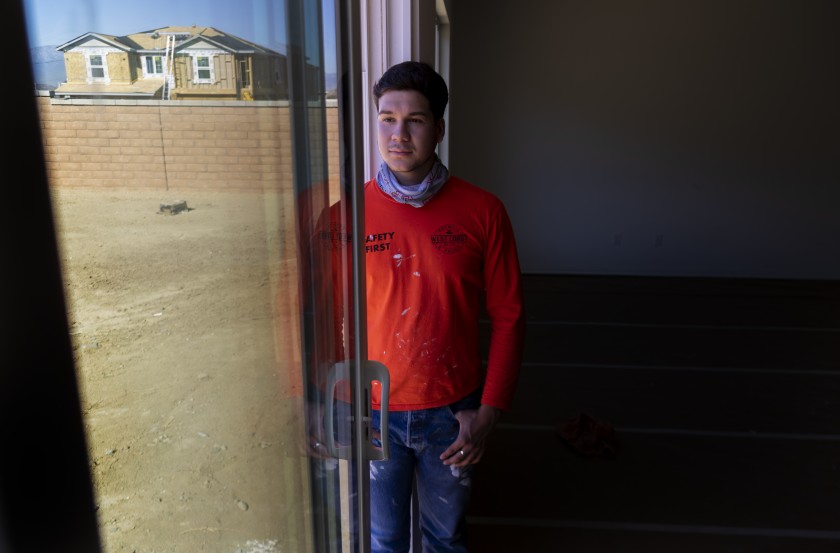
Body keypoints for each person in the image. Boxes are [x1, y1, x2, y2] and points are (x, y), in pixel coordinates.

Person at [322, 60, 525, 553]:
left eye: (414, 120)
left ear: (438, 128)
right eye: (387, 118)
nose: (398, 133)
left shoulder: (483, 212)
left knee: (445, 536)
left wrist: (489, 411)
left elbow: (509, 315)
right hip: (372, 408)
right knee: (382, 537)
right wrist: (321, 403)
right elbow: (326, 322)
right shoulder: (343, 218)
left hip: (452, 412)